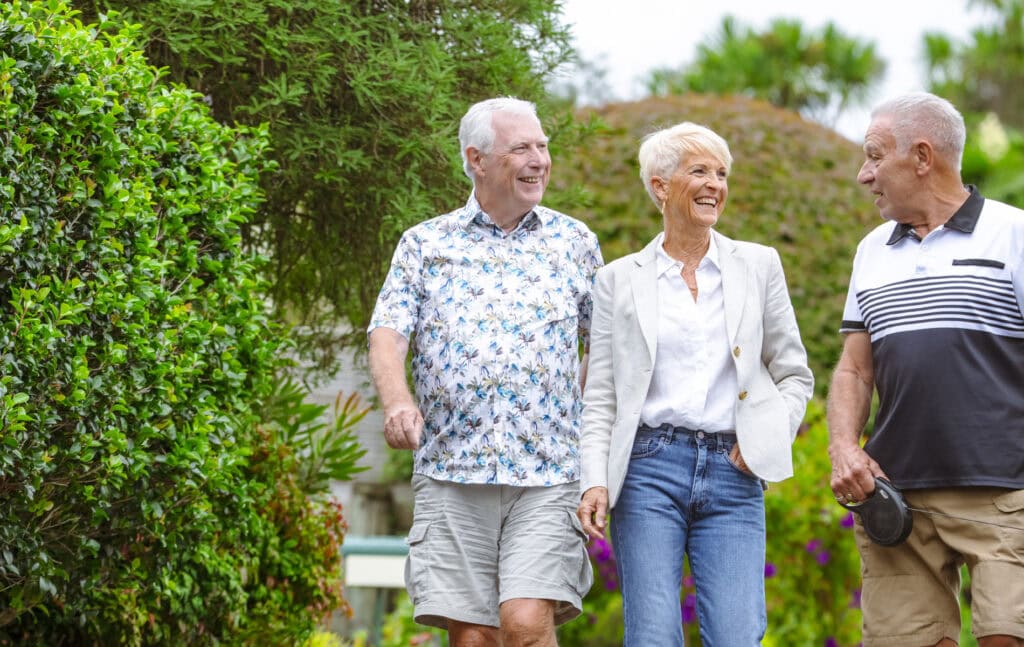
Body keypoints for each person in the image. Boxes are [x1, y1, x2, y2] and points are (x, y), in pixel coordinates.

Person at [367, 97, 602, 647]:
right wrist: (398, 401)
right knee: (473, 637)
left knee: (523, 621)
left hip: (547, 472)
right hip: (453, 467)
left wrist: (584, 413)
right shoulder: (426, 244)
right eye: (522, 147)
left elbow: (607, 346)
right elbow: (387, 334)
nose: (539, 159)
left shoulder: (575, 243)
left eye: (543, 146)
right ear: (476, 159)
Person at [576, 122, 814, 646]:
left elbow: (794, 372)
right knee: (653, 635)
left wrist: (764, 443)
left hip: (735, 470)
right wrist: (594, 478)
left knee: (736, 635)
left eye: (722, 173)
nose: (716, 185)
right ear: (660, 186)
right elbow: (601, 397)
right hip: (648, 469)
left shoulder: (758, 264)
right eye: (700, 171)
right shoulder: (618, 279)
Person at [827, 92, 1024, 647]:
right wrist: (844, 447)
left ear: (921, 156)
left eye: (873, 156)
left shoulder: (1013, 234)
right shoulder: (871, 251)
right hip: (897, 494)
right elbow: (854, 370)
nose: (864, 175)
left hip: (1005, 489)